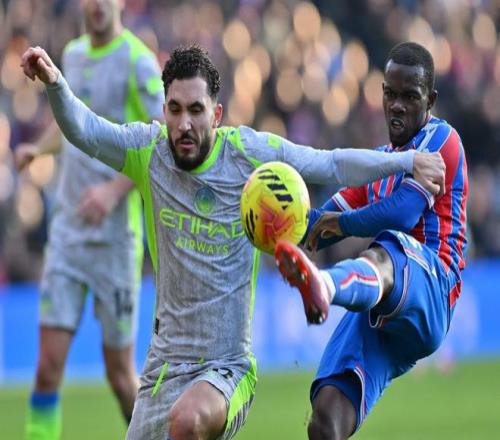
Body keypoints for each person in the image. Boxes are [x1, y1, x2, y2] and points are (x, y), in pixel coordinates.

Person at [20, 42, 445, 440]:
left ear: (217, 114)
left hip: (227, 369)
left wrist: (407, 162)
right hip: (161, 370)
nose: (184, 124)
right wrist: (55, 84)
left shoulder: (248, 155)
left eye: (196, 110)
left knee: (187, 421)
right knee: (177, 419)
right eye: (175, 110)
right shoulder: (148, 152)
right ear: (163, 111)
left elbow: (331, 165)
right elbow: (86, 131)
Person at [274, 41, 468, 439]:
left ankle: (325, 286)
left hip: (432, 288)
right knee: (325, 418)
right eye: (390, 94)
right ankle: (326, 286)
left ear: (430, 100)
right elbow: (317, 225)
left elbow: (402, 213)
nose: (397, 106)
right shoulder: (381, 162)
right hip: (380, 310)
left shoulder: (440, 142)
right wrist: (269, 227)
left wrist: (341, 226)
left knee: (385, 248)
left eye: (409, 97)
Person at [14, 1, 164, 439]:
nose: (97, 6)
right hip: (67, 234)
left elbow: (160, 143)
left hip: (115, 240)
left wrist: (113, 190)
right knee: (46, 368)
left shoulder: (137, 60)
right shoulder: (73, 55)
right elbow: (69, 122)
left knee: (119, 375)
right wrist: (38, 149)